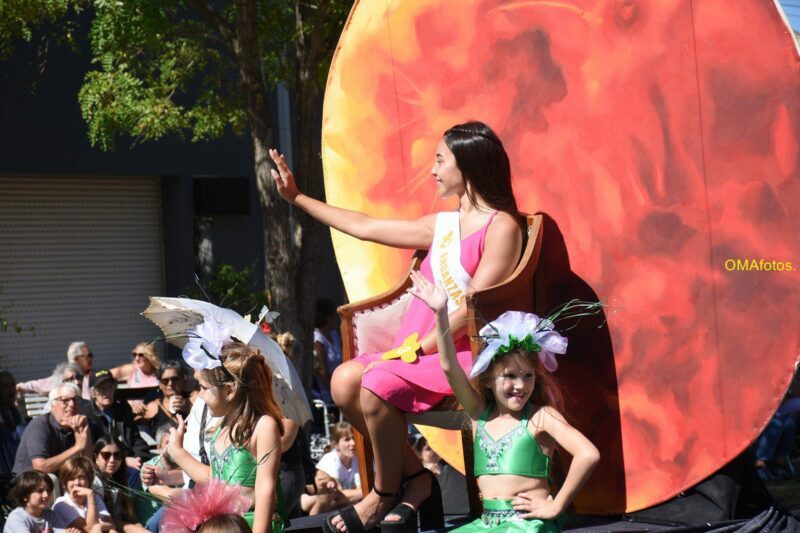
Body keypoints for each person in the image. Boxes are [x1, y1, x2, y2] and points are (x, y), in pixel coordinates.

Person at [270, 121, 524, 532]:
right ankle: (419, 479)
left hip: (459, 355)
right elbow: (365, 226)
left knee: (374, 383)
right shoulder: (442, 225)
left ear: (468, 165)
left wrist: (421, 348)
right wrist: (297, 198)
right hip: (415, 352)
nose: (433, 170)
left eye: (440, 160)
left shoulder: (503, 227)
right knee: (343, 381)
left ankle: (383, 493)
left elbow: (472, 309)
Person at [408, 272, 601, 531]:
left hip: (526, 525)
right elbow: (449, 367)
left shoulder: (540, 416)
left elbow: (588, 454)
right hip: (486, 525)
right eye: (509, 376)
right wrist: (440, 312)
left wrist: (556, 506)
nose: (520, 385)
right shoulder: (479, 414)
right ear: (488, 379)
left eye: (528, 376)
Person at [168, 339, 286, 533]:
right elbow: (215, 480)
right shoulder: (221, 426)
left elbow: (265, 489)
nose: (199, 395)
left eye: (204, 388)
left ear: (229, 390)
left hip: (249, 526)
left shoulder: (263, 426)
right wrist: (177, 452)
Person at [12, 382, 92, 477]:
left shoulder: (79, 424)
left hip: (63, 480)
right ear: (52, 405)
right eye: (65, 400)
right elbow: (40, 467)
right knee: (52, 478)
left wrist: (85, 430)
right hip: (29, 481)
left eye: (76, 400)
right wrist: (77, 448)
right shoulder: (39, 425)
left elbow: (88, 464)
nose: (72, 404)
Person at [80, 369, 150, 471]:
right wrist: (123, 460)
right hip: (102, 464)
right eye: (102, 389)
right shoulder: (86, 414)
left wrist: (139, 457)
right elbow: (93, 449)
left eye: (110, 387)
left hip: (129, 460)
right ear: (93, 393)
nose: (107, 392)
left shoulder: (122, 408)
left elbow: (135, 438)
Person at [301, 422, 362, 516]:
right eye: (347, 439)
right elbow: (340, 497)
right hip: (322, 506)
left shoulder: (358, 459)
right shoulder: (330, 460)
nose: (353, 443)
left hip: (340, 508)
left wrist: (361, 493)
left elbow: (361, 489)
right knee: (326, 499)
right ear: (336, 444)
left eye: (354, 438)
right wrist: (368, 493)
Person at [92, 435, 152, 532]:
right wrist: (137, 530)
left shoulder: (119, 479)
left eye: (117, 455)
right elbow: (101, 519)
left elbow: (131, 517)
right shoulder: (93, 481)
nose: (112, 460)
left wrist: (139, 527)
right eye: (106, 455)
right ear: (96, 457)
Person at [4, 470, 78, 533]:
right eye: (40, 491)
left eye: (49, 491)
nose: (46, 495)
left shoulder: (51, 515)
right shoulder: (17, 518)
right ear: (25, 496)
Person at [53, 456, 113, 531]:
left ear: (89, 480)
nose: (77, 483)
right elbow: (90, 529)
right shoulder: (61, 503)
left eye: (81, 477)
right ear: (65, 482)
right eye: (71, 479)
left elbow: (110, 523)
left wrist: (100, 526)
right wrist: (90, 494)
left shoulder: (94, 497)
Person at [17, 342, 93, 400]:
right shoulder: (65, 375)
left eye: (91, 356)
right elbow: (40, 384)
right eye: (89, 356)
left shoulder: (92, 374)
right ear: (76, 358)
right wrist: (20, 387)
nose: (91, 359)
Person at [141, 361, 192, 433]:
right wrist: (136, 410)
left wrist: (188, 407)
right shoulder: (154, 406)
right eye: (165, 380)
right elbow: (138, 425)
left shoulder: (193, 399)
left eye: (175, 379)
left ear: (183, 380)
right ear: (160, 384)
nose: (170, 383)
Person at [313, 299, 343, 404]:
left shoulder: (334, 334)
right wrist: (338, 390)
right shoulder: (317, 339)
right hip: (328, 395)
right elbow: (321, 372)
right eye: (333, 316)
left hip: (340, 387)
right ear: (327, 318)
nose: (336, 319)